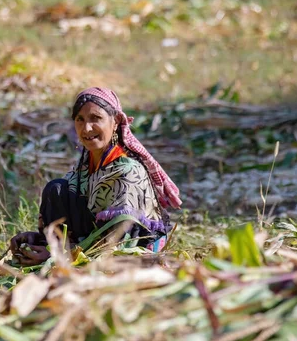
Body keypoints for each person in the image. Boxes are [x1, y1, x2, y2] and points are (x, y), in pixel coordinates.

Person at [10, 87, 182, 266]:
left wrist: (58, 255)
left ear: (115, 122)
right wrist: (39, 240)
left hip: (128, 255)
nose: (86, 128)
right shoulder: (86, 165)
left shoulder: (127, 172)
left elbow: (121, 243)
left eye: (96, 118)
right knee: (57, 189)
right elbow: (78, 216)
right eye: (80, 119)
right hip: (93, 246)